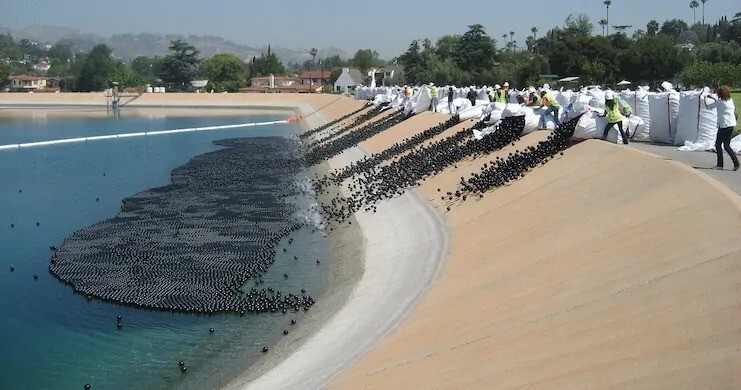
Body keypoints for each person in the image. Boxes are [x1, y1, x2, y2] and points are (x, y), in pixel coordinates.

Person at [705, 85, 739, 171]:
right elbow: (718, 102)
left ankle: (720, 164)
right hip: (731, 124)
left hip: (723, 125)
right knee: (727, 145)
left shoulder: (719, 103)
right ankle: (736, 163)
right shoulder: (730, 101)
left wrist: (705, 98)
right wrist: (714, 99)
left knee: (718, 145)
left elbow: (708, 106)